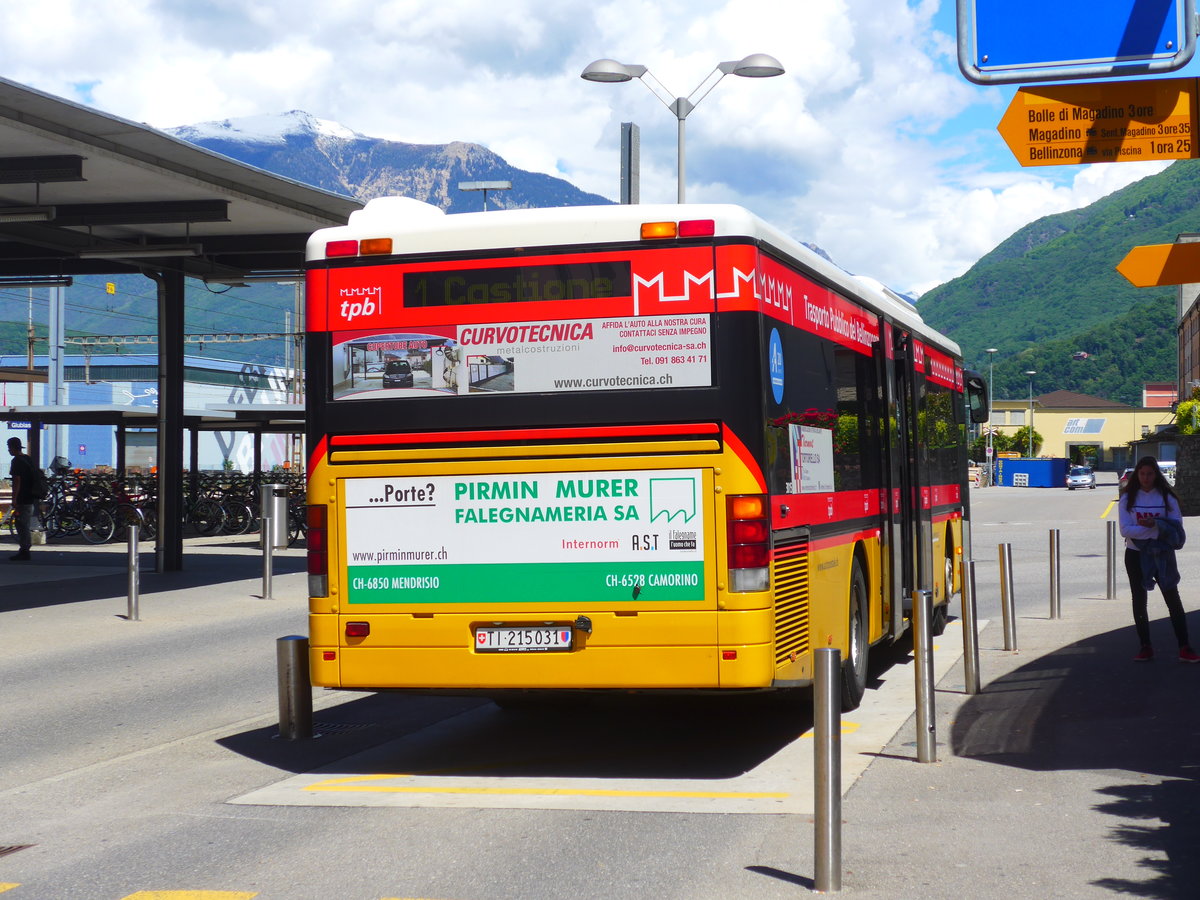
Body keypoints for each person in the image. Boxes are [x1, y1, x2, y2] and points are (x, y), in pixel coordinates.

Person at [1118, 455, 1198, 662]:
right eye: (1142, 474)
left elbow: (1175, 528)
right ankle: (1145, 646)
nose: (1146, 478)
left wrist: (1152, 527)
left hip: (1162, 555)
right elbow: (1125, 530)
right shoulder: (1128, 498)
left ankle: (1184, 647)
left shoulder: (1166, 497)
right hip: (1135, 554)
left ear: (1156, 474)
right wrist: (1157, 528)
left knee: (1173, 599)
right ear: (1137, 475)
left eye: (1150, 474)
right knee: (1139, 599)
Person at [6, 436, 35, 561]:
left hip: (22, 498)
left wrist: (14, 499)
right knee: (25, 524)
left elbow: (17, 480)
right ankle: (25, 548)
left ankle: (24, 550)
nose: (8, 450)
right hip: (31, 497)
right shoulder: (28, 459)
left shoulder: (16, 461)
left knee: (21, 524)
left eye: (9, 447)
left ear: (12, 447)